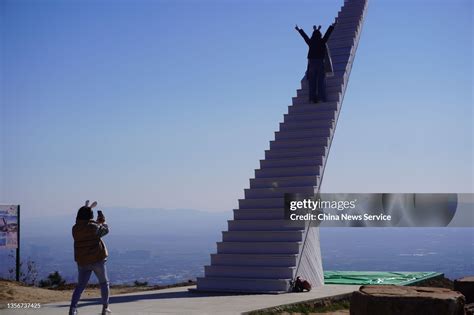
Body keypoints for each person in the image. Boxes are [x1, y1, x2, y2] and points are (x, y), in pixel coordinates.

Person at [69, 201, 111, 315]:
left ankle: (73, 309)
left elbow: (86, 228)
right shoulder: (94, 227)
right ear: (90, 216)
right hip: (97, 259)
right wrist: (102, 222)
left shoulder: (75, 229)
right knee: (104, 283)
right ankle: (105, 308)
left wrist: (95, 222)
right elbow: (105, 230)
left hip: (83, 261)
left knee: (80, 286)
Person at [295, 22, 335, 103]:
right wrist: (332, 26)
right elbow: (328, 34)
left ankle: (312, 99)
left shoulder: (311, 42)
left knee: (312, 82)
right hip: (320, 62)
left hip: (312, 63)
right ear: (320, 35)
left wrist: (299, 30)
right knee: (321, 81)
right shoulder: (322, 41)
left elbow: (305, 36)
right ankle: (321, 98)